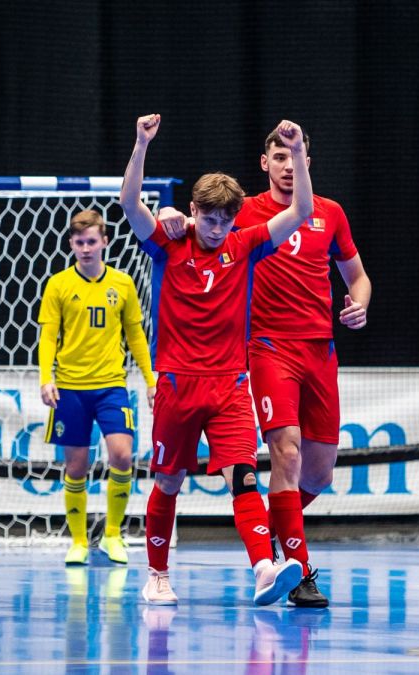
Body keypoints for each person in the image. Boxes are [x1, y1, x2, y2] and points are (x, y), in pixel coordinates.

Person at [156, 128, 372, 607]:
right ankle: (298, 573)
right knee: (286, 455)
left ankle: (266, 541)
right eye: (280, 157)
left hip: (321, 350)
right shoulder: (246, 212)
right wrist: (168, 214)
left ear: (307, 160)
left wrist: (358, 305)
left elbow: (357, 277)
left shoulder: (330, 212)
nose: (289, 166)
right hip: (267, 348)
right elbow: (199, 222)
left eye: (296, 156)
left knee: (318, 475)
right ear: (264, 163)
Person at [120, 114, 310, 606]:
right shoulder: (167, 244)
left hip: (229, 384)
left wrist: (298, 153)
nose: (218, 227)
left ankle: (264, 569)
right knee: (168, 480)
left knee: (244, 474)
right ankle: (157, 575)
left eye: (226, 219)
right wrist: (141, 144)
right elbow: (128, 204)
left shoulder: (244, 245)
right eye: (210, 218)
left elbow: (302, 210)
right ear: (193, 211)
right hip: (178, 385)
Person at [37, 210, 158, 566]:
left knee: (122, 454)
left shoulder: (122, 284)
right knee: (77, 466)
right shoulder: (59, 284)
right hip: (71, 388)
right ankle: (78, 542)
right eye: (79, 242)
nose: (86, 248)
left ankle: (113, 535)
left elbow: (136, 336)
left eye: (92, 241)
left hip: (111, 386)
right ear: (72, 244)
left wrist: (150, 381)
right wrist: (47, 377)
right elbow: (48, 336)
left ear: (104, 241)